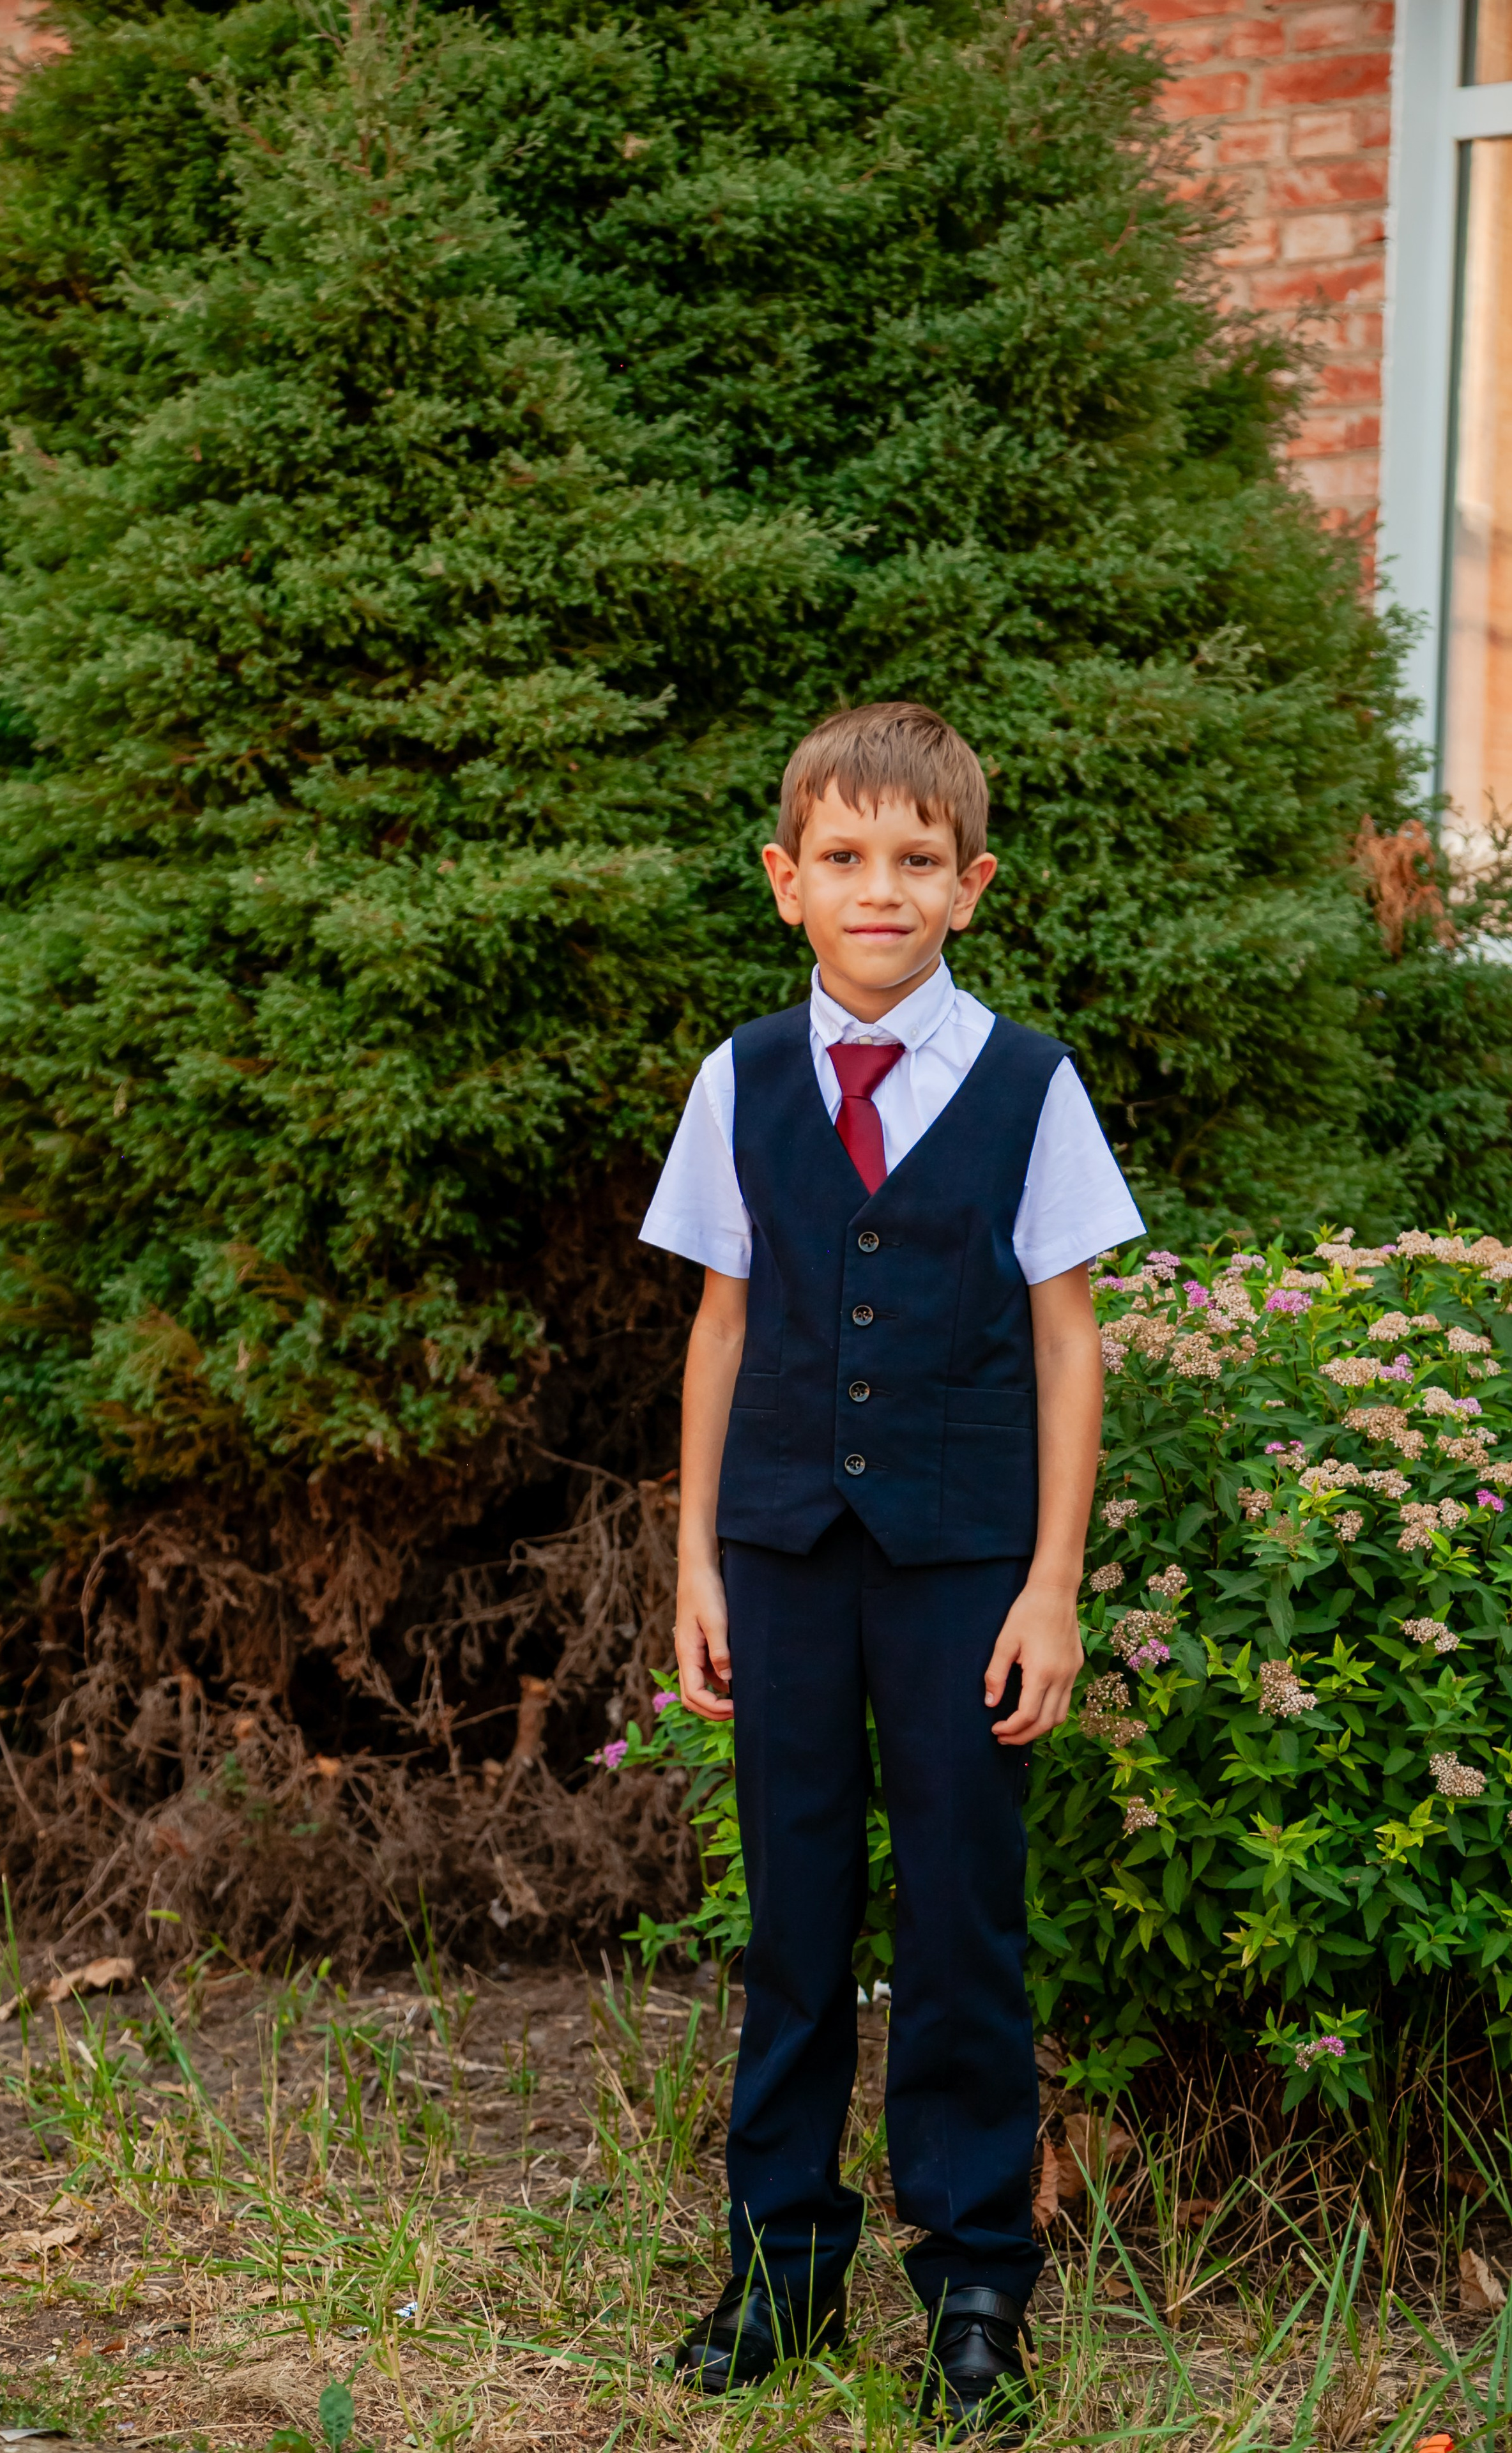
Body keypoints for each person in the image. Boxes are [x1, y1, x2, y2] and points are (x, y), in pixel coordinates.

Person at [638, 701, 1144, 2436]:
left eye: (914, 863)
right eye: (843, 861)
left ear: (970, 886)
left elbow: (1069, 1342)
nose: (880, 890)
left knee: (960, 1926)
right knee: (794, 1921)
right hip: (779, 1559)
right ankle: (778, 2263)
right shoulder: (742, 1080)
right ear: (787, 884)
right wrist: (694, 1562)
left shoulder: (1027, 1084)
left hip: (960, 1570)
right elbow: (719, 1322)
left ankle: (976, 2282)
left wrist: (1053, 1584)